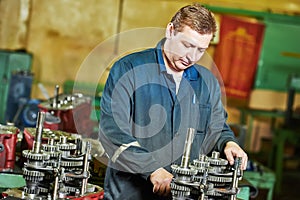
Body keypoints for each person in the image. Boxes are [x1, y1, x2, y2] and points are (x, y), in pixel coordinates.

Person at [99, 3, 248, 200]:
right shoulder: (129, 69)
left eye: (200, 50)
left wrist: (229, 143)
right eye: (187, 45)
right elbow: (112, 132)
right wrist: (151, 169)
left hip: (183, 194)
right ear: (170, 31)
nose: (191, 57)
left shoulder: (206, 82)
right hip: (130, 193)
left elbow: (217, 127)